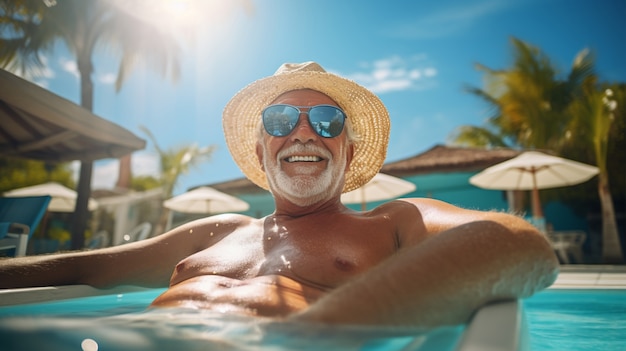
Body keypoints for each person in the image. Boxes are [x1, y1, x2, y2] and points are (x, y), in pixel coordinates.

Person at [0, 62, 558, 328]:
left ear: (347, 149)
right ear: (264, 150)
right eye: (282, 117)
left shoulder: (392, 221)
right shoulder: (215, 231)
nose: (304, 131)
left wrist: (317, 332)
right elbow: (86, 269)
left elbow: (519, 244)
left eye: (326, 119)